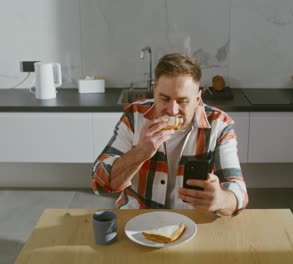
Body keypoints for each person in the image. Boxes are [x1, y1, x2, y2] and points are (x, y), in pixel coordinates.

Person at [91, 53, 248, 216]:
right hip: (138, 217)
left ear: (197, 98)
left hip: (192, 221)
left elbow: (239, 193)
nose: (172, 110)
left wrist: (221, 200)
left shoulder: (219, 125)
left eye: (183, 101)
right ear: (154, 91)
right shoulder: (134, 115)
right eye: (164, 98)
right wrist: (140, 152)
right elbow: (99, 182)